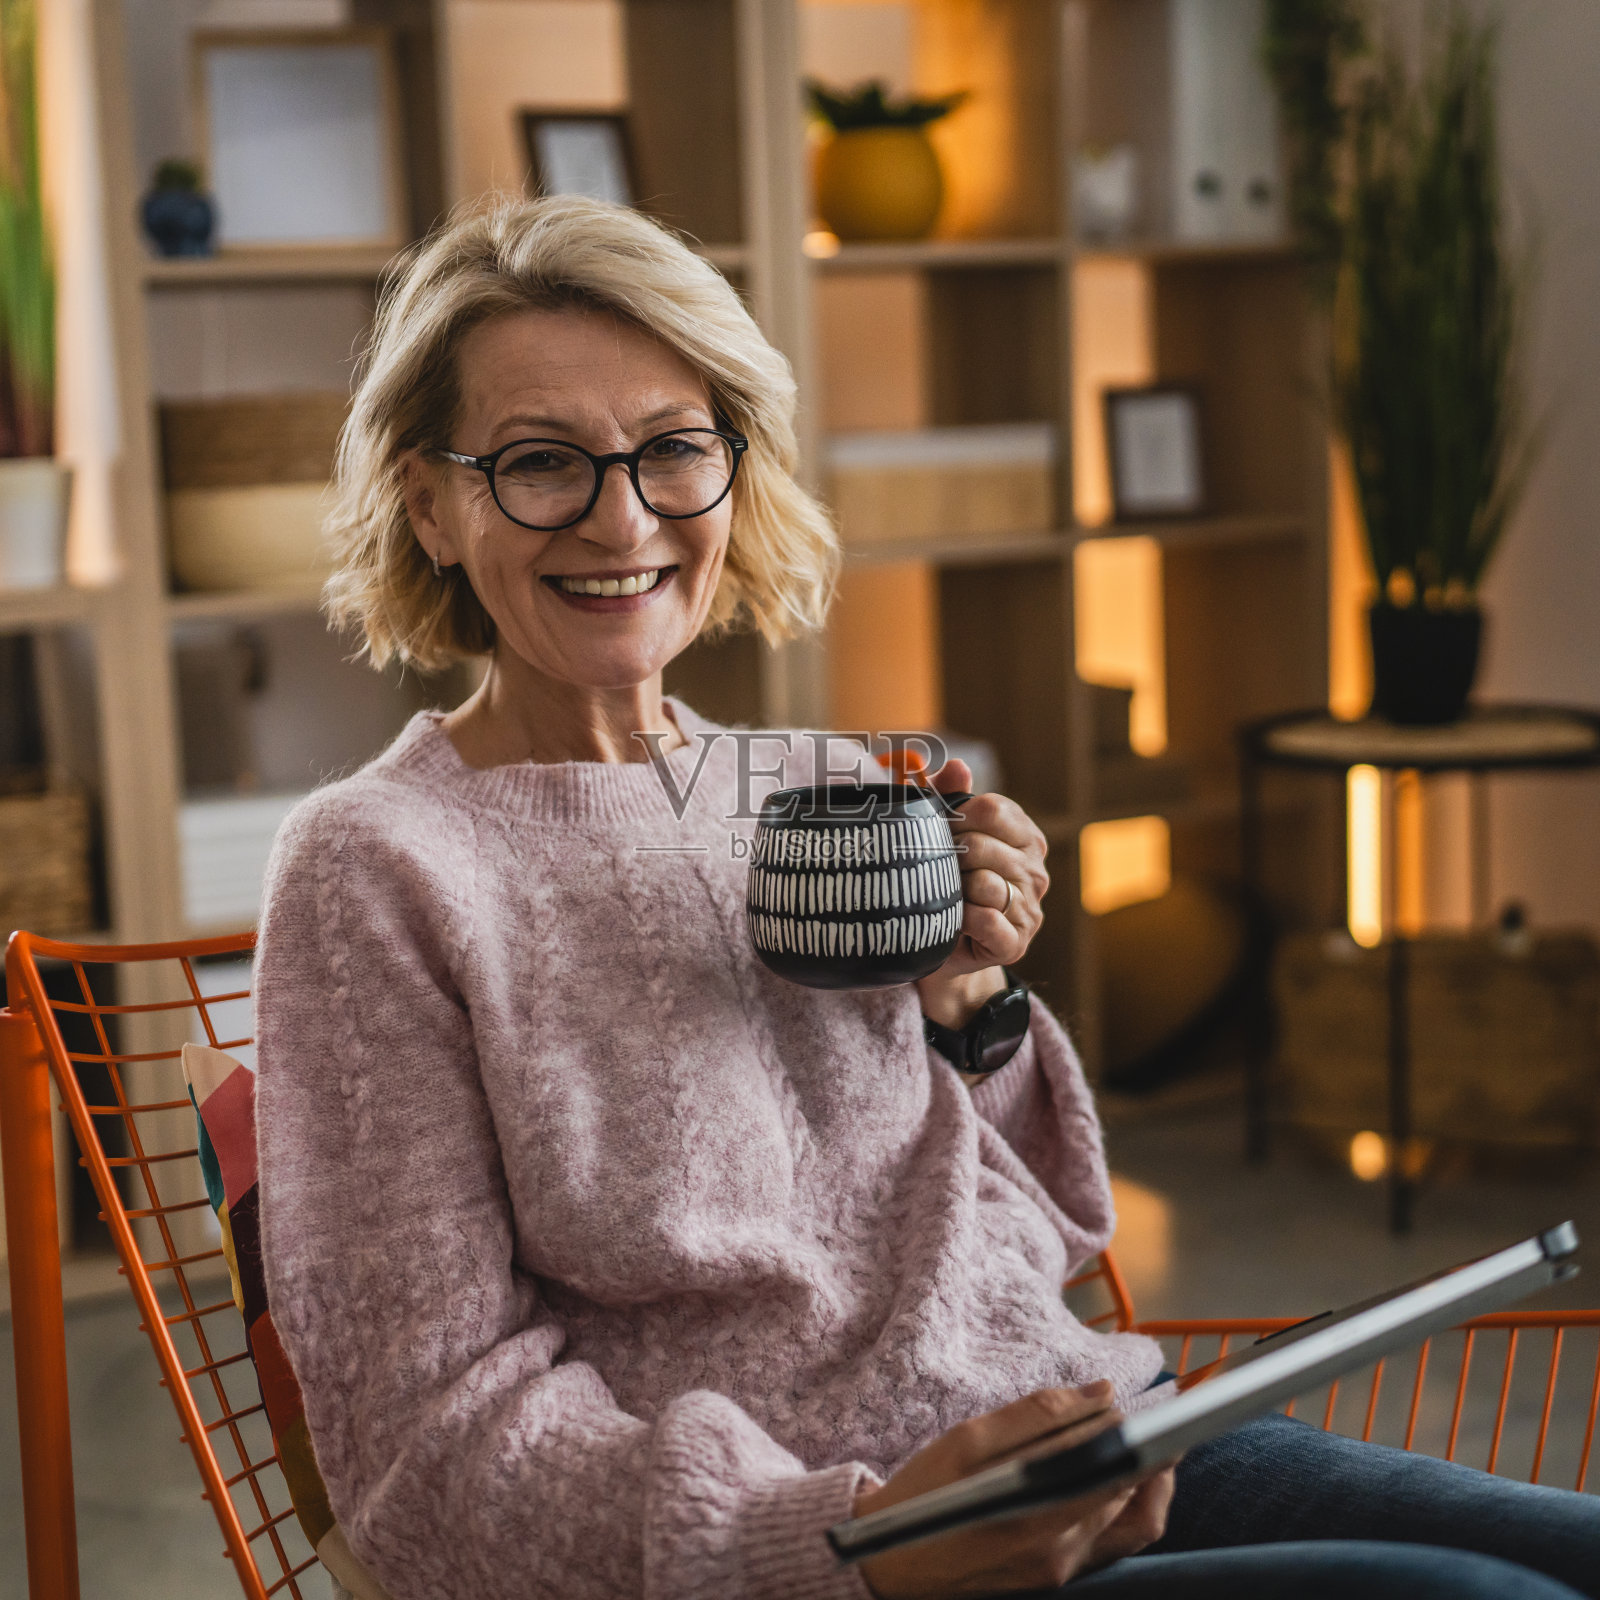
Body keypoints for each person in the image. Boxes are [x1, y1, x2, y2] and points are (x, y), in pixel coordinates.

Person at [254, 194, 1600, 1600]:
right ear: (430, 499)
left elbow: (1056, 1228)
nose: (624, 516)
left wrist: (975, 1000)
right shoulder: (378, 866)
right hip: (851, 1562)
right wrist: (856, 1536)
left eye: (673, 451)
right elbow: (427, 1453)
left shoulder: (834, 786)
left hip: (1100, 1436)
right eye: (542, 463)